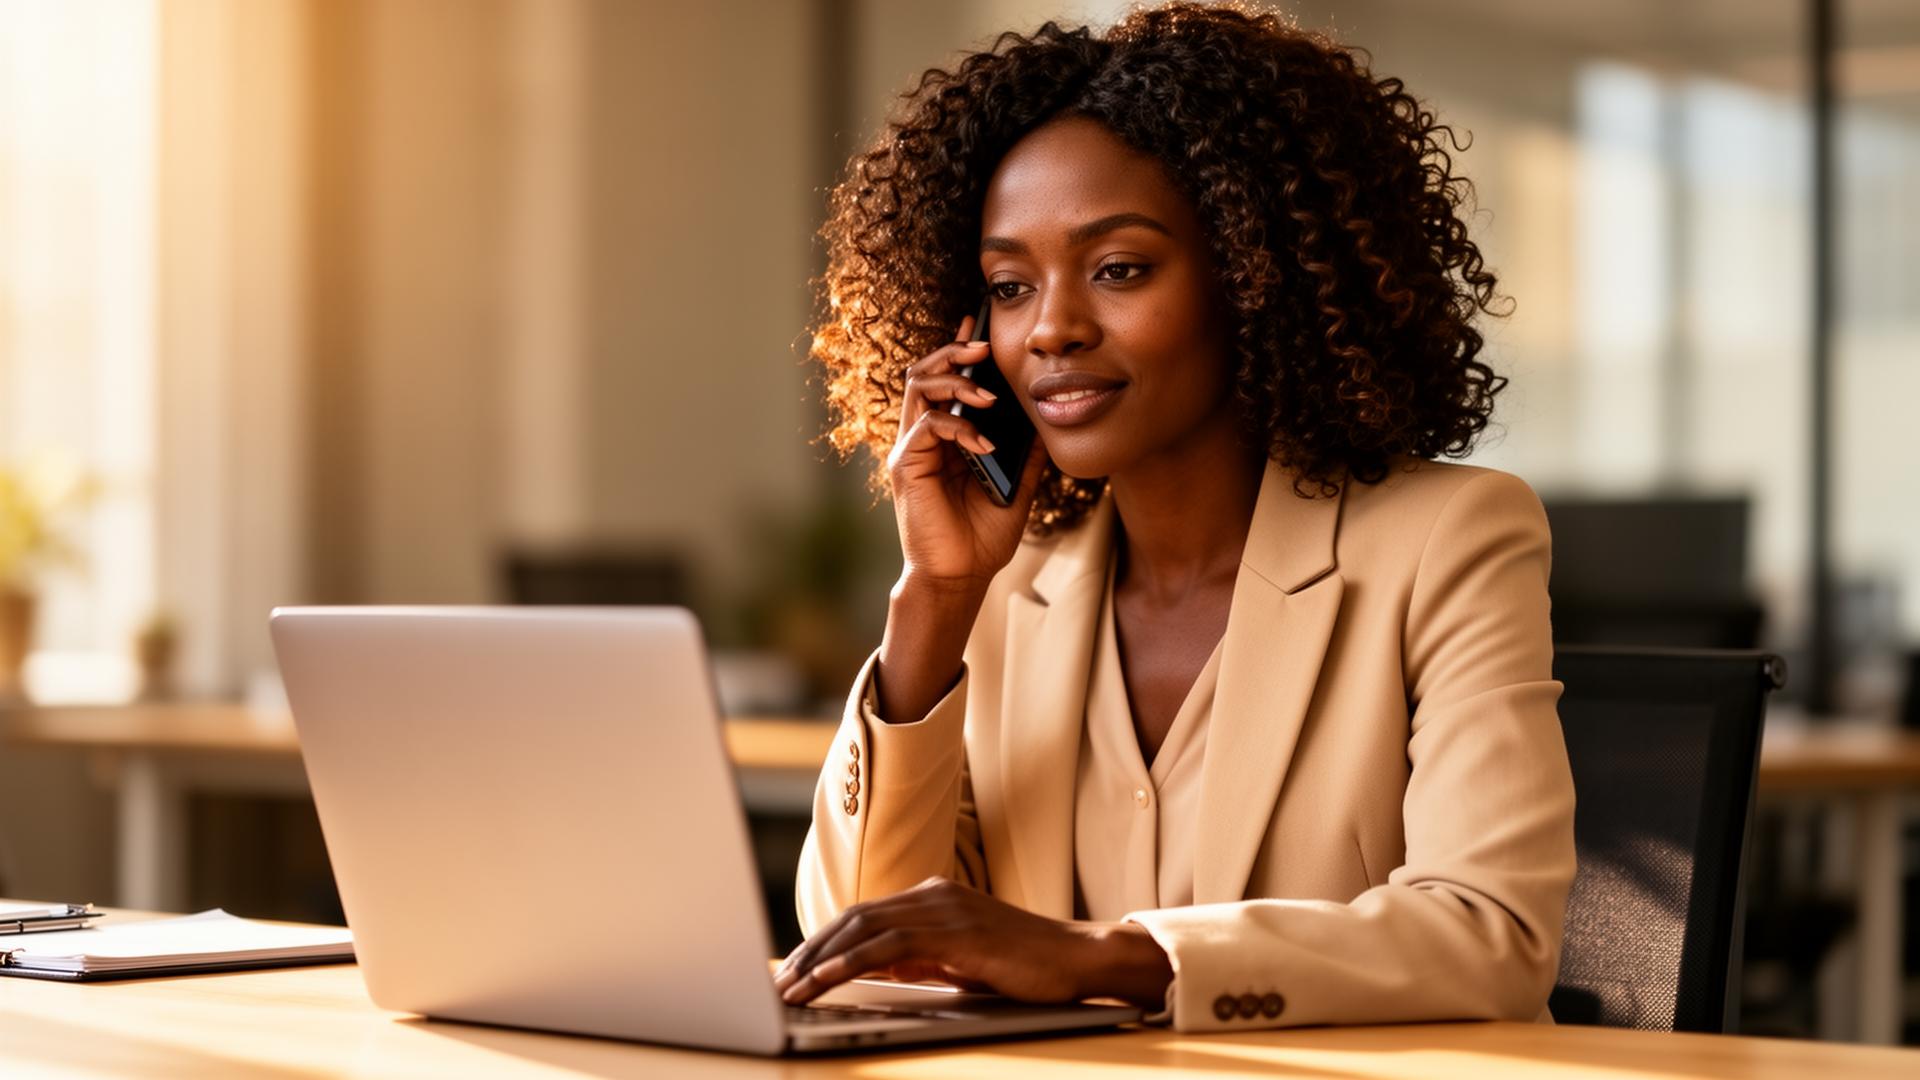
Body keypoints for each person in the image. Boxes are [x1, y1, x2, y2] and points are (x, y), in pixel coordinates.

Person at [774, 3, 1576, 1032]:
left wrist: (1103, 957)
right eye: (1010, 286)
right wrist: (935, 598)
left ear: (1253, 277)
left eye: (1119, 270)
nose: (1052, 328)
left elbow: (1490, 935)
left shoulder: (1450, 538)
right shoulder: (1012, 589)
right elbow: (857, 945)